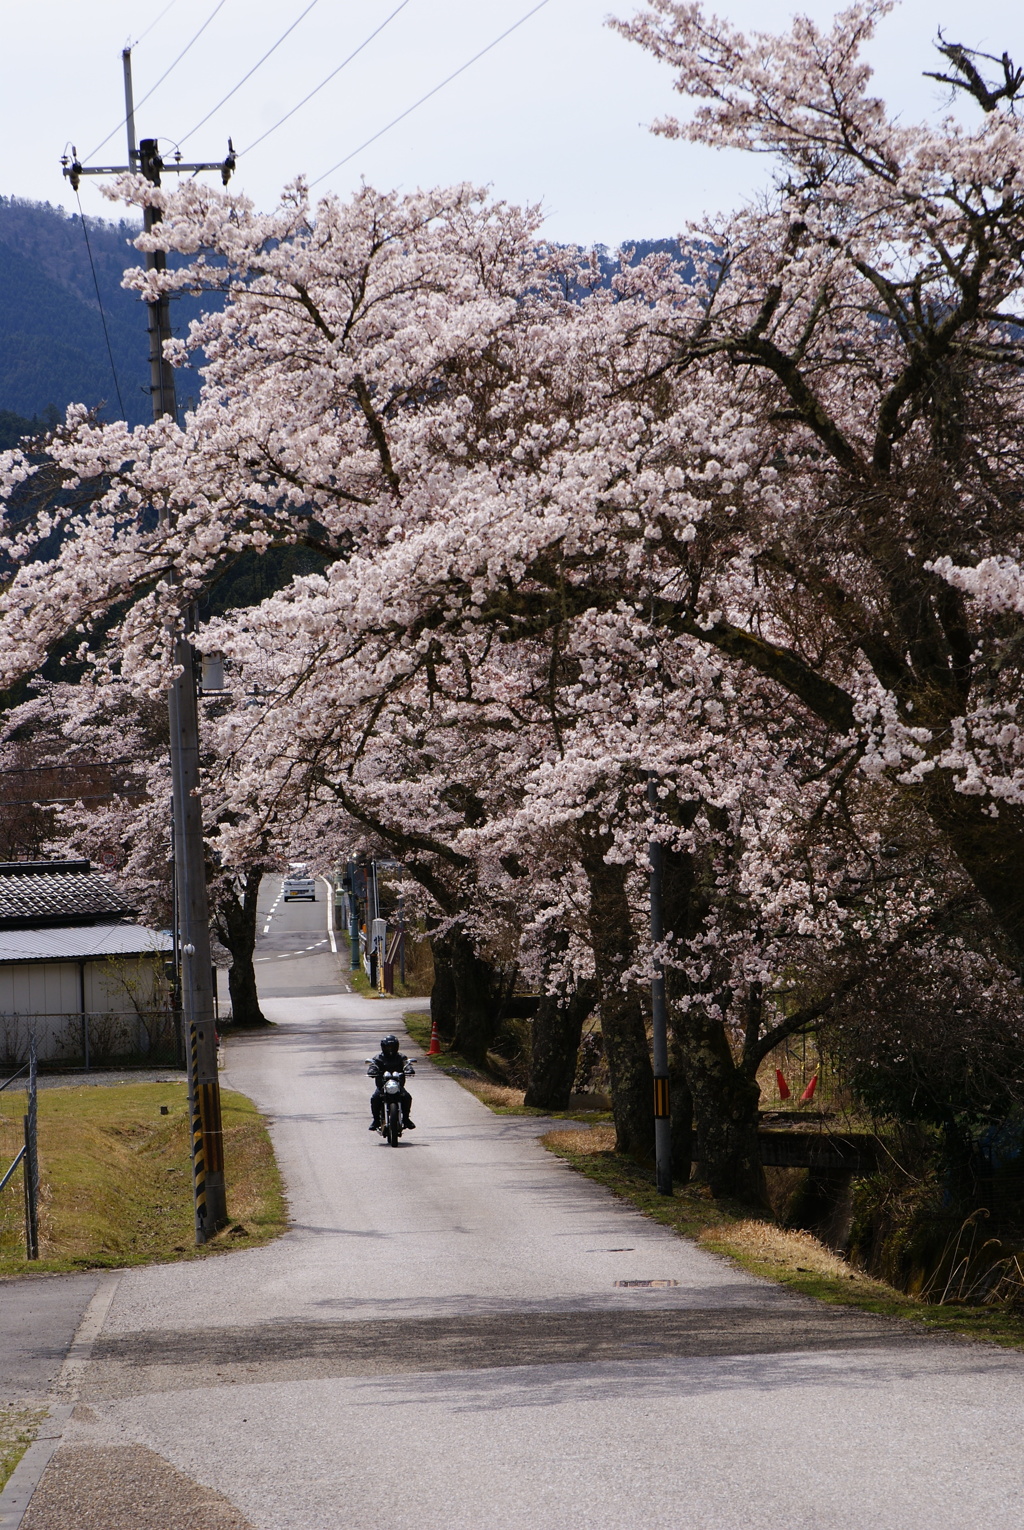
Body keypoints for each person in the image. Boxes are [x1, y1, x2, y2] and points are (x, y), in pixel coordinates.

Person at [367, 1034, 415, 1130]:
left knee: (407, 1097)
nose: (390, 1049)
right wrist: (372, 1070)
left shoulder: (401, 1057)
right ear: (383, 1047)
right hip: (382, 1086)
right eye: (388, 1047)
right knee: (375, 1098)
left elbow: (406, 1064)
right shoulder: (378, 1058)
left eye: (392, 1047)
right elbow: (373, 1065)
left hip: (398, 1085)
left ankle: (406, 1119)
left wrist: (409, 1069)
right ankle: (376, 1120)